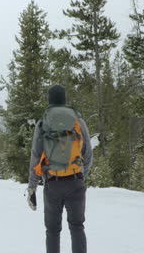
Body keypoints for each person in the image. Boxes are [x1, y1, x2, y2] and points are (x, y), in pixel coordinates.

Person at [26, 85, 93, 253]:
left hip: (52, 184)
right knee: (77, 227)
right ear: (64, 100)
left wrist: (32, 187)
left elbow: (36, 155)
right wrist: (80, 174)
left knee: (53, 231)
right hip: (75, 181)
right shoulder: (78, 121)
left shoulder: (43, 123)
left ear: (50, 101)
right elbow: (88, 153)